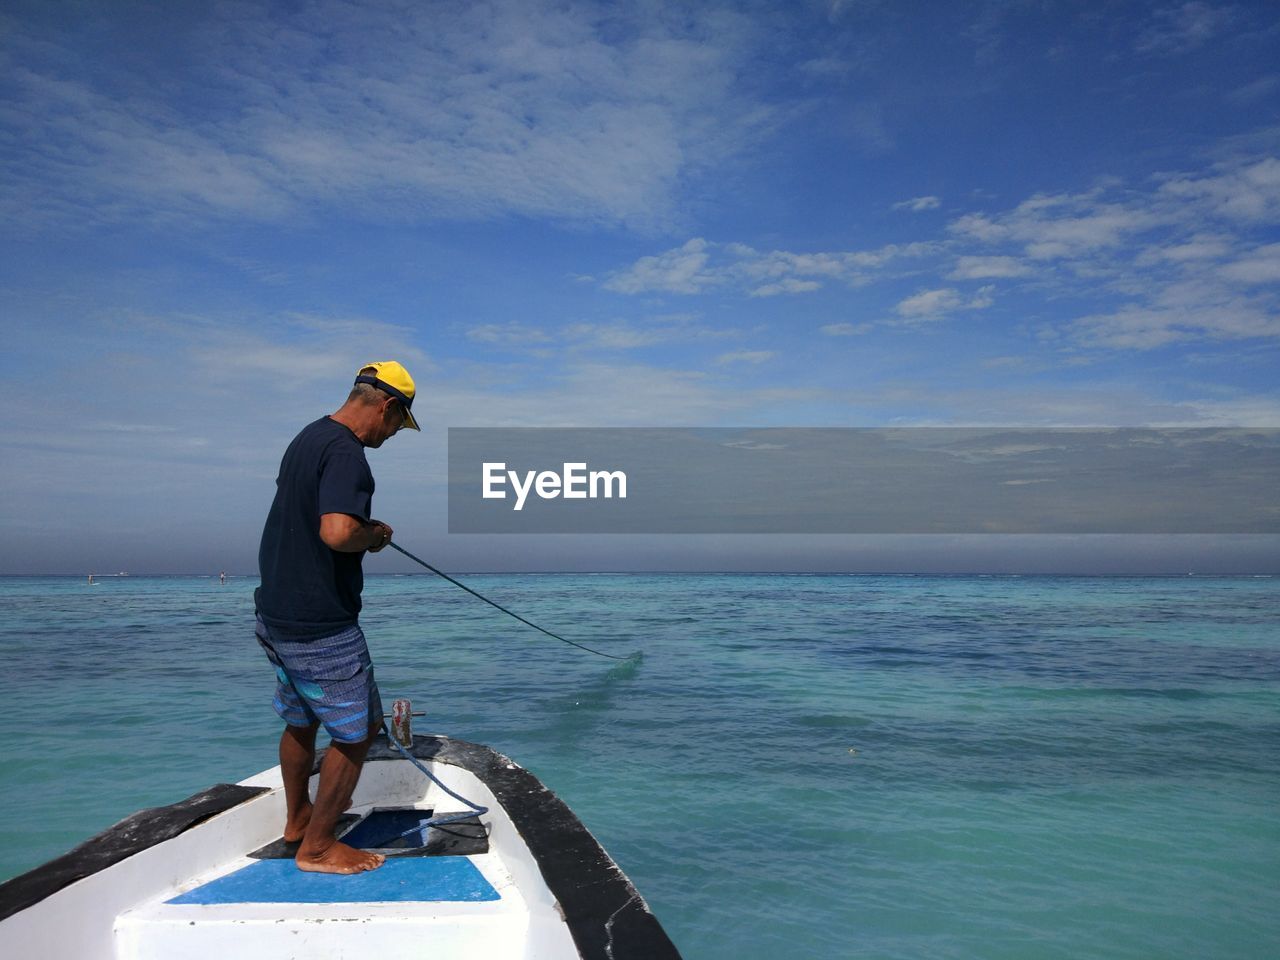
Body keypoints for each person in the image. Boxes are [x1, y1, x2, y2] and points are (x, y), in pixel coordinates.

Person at [254, 361, 421, 874]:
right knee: (357, 731)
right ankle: (320, 847)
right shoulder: (349, 453)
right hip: (320, 622)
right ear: (388, 406)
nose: (392, 436)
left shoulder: (308, 437)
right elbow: (335, 531)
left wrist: (362, 529)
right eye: (397, 425)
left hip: (276, 612)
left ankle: (298, 818)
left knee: (301, 719)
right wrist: (372, 535)